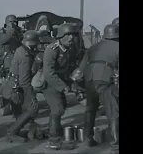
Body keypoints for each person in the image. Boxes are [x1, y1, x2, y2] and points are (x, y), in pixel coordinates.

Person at [80, 24, 119, 154]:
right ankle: (115, 146)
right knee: (113, 112)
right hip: (105, 79)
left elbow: (81, 67)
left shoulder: (93, 47)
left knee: (90, 110)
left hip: (89, 78)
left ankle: (88, 138)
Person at [42, 23, 79, 150]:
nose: (71, 38)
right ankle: (54, 140)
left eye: (73, 35)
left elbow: (70, 66)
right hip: (50, 84)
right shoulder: (52, 50)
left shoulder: (70, 49)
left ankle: (52, 129)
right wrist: (63, 87)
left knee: (61, 106)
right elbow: (48, 73)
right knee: (57, 108)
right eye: (68, 35)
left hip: (60, 81)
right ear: (60, 36)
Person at [6, 30, 40, 143]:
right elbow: (25, 81)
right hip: (17, 87)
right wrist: (32, 97)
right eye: (35, 45)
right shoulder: (25, 56)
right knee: (32, 108)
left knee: (25, 109)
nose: (36, 47)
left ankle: (28, 128)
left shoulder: (21, 50)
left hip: (14, 83)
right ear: (31, 43)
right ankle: (12, 132)